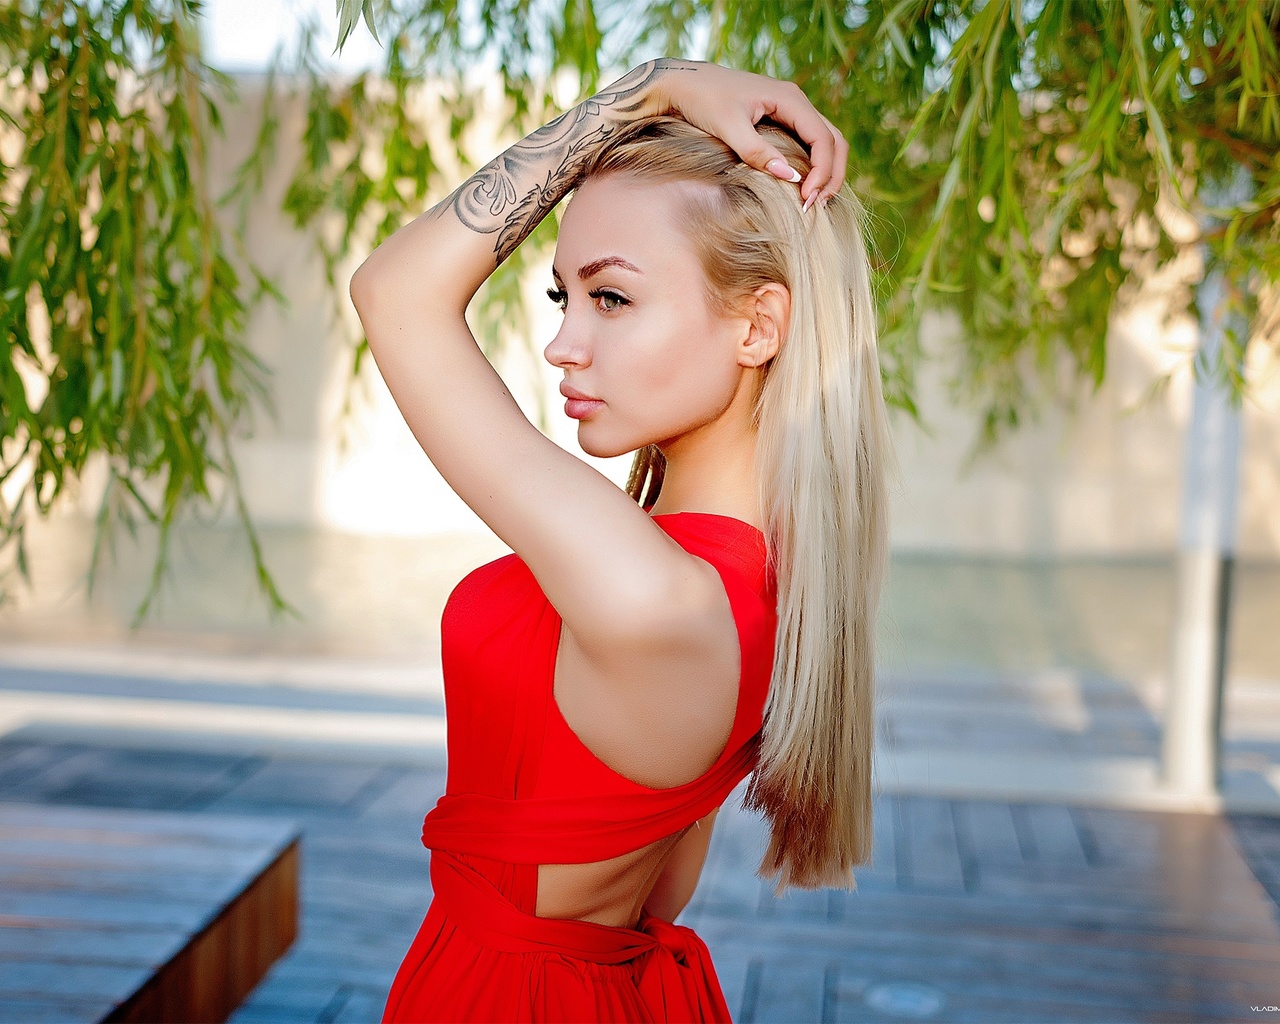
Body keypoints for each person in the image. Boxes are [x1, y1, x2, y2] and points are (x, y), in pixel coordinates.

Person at [349, 58, 890, 1024]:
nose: (563, 343)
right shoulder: (762, 589)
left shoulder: (653, 592)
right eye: (565, 297)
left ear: (758, 326)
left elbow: (396, 291)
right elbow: (657, 888)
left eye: (613, 298)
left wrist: (648, 91)